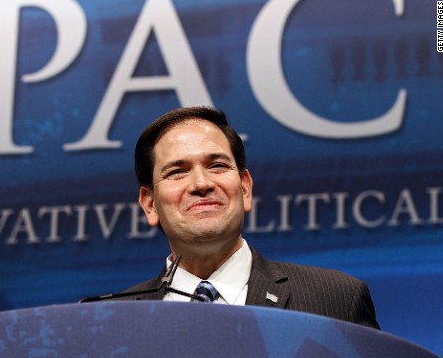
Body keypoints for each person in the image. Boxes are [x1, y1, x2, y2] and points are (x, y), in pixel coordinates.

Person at [120, 106, 379, 329]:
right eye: (178, 171)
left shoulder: (336, 301)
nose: (201, 183)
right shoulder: (112, 321)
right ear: (150, 204)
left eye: (217, 166)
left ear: (245, 189)